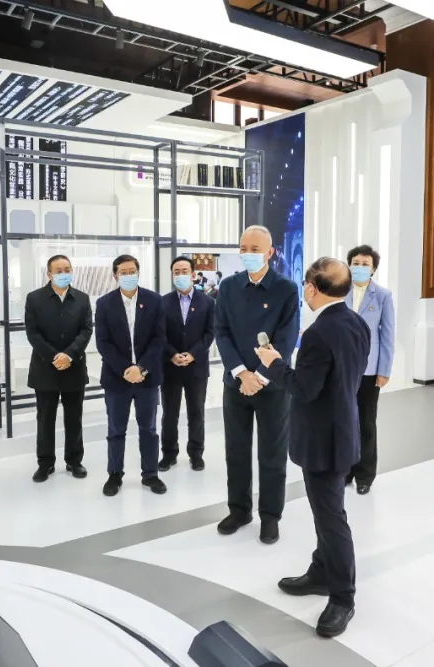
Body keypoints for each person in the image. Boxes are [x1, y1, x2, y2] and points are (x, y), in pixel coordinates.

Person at [254, 257, 370, 639]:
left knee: (331, 518)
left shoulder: (319, 332)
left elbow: (303, 388)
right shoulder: (356, 323)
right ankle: (321, 572)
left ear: (310, 288)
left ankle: (343, 597)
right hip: (342, 431)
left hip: (323, 441)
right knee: (325, 513)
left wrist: (273, 363)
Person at [214, 225, 300, 544]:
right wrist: (241, 373)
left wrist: (261, 376)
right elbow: (221, 332)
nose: (248, 254)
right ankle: (239, 510)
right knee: (236, 451)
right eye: (243, 248)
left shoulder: (285, 289)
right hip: (236, 384)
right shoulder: (229, 287)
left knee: (272, 453)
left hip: (272, 386)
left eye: (255, 249)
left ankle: (270, 516)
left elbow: (286, 339)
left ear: (270, 252)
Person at [95, 255, 168, 496]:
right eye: (123, 272)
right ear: (115, 275)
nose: (128, 276)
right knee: (116, 429)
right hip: (116, 379)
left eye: (132, 271)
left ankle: (150, 474)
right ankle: (115, 474)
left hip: (147, 378)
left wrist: (141, 368)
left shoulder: (154, 301)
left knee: (149, 428)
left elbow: (159, 339)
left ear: (138, 272)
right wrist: (126, 369)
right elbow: (103, 343)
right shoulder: (104, 303)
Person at [25, 255, 93, 483]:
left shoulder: (82, 299)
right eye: (59, 270)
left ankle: (74, 461)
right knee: (45, 419)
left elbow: (86, 330)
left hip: (74, 367)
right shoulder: (35, 298)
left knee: (74, 418)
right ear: (49, 274)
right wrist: (55, 356)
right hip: (45, 368)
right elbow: (33, 333)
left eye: (67, 269)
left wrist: (69, 355)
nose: (64, 273)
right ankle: (45, 463)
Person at [345, 245, 395, 494]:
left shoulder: (382, 296)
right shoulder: (339, 291)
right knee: (343, 420)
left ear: (373, 269)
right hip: (342, 368)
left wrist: (384, 370)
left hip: (369, 369)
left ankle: (365, 475)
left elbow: (387, 335)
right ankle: (345, 470)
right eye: (356, 263)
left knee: (366, 422)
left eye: (365, 264)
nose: (360, 267)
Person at [159, 256, 216, 472]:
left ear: (193, 275)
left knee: (196, 412)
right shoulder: (163, 302)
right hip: (170, 367)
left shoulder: (208, 302)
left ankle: (196, 453)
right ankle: (169, 454)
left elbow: (210, 333)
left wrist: (192, 354)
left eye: (184, 271)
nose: (180, 275)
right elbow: (159, 334)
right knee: (169, 413)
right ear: (172, 275)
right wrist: (172, 354)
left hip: (196, 367)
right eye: (176, 272)